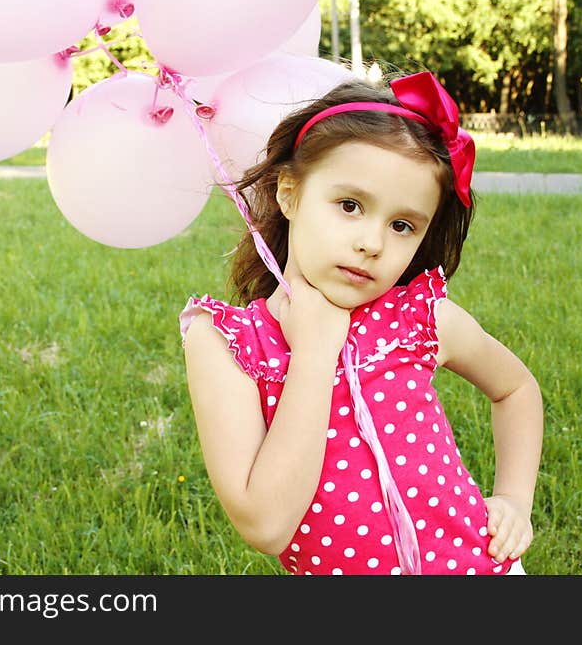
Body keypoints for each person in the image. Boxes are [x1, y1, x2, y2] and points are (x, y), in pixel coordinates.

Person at [179, 70, 543, 575]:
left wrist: (514, 500)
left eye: (402, 225)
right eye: (350, 205)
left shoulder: (417, 318)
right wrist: (314, 353)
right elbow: (265, 526)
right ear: (289, 192)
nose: (372, 242)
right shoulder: (230, 344)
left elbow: (515, 389)